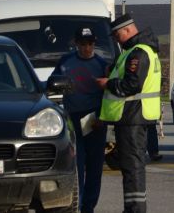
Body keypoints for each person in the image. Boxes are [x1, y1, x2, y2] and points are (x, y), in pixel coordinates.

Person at [96, 13, 161, 213]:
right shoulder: (132, 51)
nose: (115, 39)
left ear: (127, 30)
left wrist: (108, 83)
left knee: (133, 167)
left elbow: (131, 85)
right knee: (129, 166)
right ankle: (132, 208)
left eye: (117, 35)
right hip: (130, 118)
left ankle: (135, 209)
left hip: (133, 117)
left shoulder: (138, 53)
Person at [49, 27, 109, 213]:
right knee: (77, 164)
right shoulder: (66, 62)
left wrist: (101, 117)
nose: (87, 48)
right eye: (83, 44)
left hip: (94, 120)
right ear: (76, 44)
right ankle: (78, 202)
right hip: (73, 120)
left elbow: (109, 94)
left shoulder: (101, 64)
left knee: (94, 166)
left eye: (90, 44)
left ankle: (88, 206)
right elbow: (52, 84)